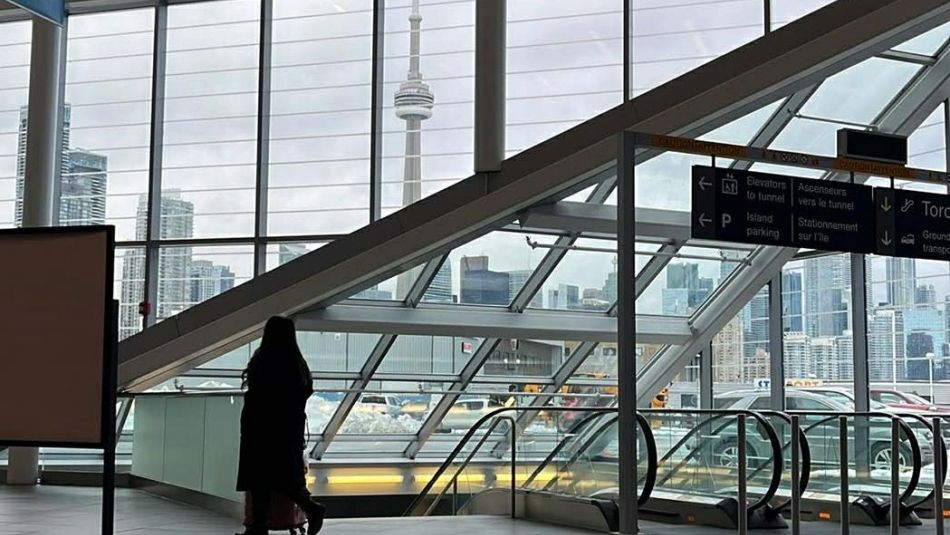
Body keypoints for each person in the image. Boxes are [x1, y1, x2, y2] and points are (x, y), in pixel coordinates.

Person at [237, 316, 325, 535]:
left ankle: (258, 527)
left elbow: (256, 393)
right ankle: (310, 507)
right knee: (285, 477)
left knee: (259, 480)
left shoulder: (263, 359)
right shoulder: (297, 363)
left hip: (260, 429)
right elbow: (304, 392)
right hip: (287, 430)